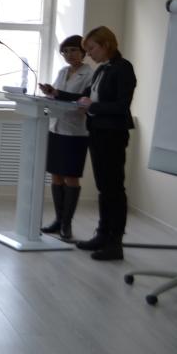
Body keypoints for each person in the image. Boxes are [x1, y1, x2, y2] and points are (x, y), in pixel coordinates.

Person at [41, 26, 136, 261]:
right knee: (104, 188)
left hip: (113, 134)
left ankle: (115, 242)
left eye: (91, 48)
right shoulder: (103, 69)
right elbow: (83, 97)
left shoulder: (123, 68)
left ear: (106, 45)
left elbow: (121, 106)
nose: (89, 54)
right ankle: (102, 234)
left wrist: (92, 106)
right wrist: (57, 93)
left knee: (114, 189)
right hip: (98, 132)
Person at [38, 36, 93, 240]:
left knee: (71, 176)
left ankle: (67, 224)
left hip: (76, 131)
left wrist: (57, 93)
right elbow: (55, 95)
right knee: (56, 175)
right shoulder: (62, 71)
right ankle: (58, 220)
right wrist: (49, 93)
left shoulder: (90, 74)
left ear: (83, 52)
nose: (69, 55)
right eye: (65, 51)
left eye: (73, 50)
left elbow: (83, 100)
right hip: (56, 128)